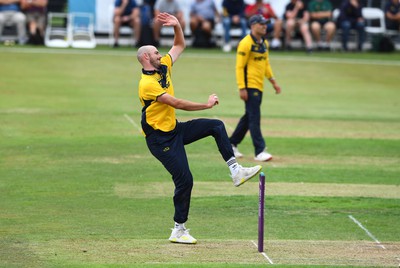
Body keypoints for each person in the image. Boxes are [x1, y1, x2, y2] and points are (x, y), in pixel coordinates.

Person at [137, 12, 262, 244]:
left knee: (216, 126)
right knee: (185, 180)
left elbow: (179, 44)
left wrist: (177, 25)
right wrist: (205, 105)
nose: (159, 53)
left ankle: (236, 171)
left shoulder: (163, 65)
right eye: (155, 52)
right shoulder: (147, 85)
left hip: (174, 129)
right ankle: (178, 229)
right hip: (160, 140)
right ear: (146, 57)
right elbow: (177, 103)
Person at [229, 14, 281, 162]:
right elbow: (239, 67)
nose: (265, 26)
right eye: (261, 24)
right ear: (252, 26)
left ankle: (231, 143)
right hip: (249, 86)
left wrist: (273, 81)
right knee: (254, 117)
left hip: (259, 86)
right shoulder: (245, 43)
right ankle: (260, 150)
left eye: (266, 24)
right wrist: (242, 88)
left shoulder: (264, 43)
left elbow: (266, 64)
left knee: (249, 117)